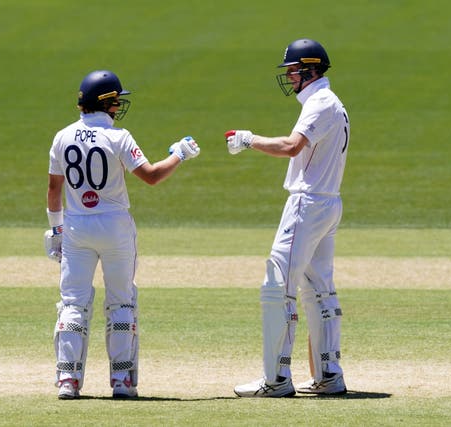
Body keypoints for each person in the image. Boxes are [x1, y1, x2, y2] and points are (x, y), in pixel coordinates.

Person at [45, 69, 200, 400]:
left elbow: (53, 188)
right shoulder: (119, 137)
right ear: (106, 102)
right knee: (121, 302)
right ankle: (122, 382)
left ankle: (68, 382)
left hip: (76, 227)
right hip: (115, 228)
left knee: (73, 303)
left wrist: (56, 229)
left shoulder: (62, 137)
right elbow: (152, 176)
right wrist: (180, 154)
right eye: (116, 100)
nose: (119, 105)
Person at [226, 38, 350, 397]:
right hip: (328, 203)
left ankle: (276, 379)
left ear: (310, 69)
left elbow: (291, 146)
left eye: (293, 70)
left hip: (307, 204)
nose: (290, 77)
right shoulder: (332, 102)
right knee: (319, 290)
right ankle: (330, 375)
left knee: (278, 286)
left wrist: (249, 139)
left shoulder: (320, 103)